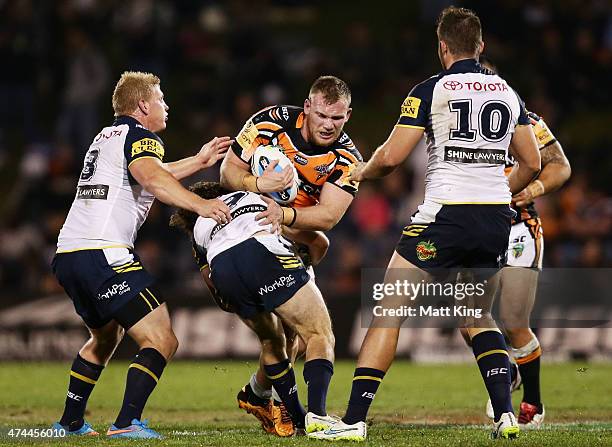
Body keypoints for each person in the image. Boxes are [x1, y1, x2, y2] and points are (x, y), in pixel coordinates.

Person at [308, 7, 541, 441]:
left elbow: (393, 157)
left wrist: (361, 171)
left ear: (443, 47)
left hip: (444, 215)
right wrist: (498, 190)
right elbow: (533, 161)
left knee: (389, 312)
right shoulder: (509, 93)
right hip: (494, 219)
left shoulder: (431, 89)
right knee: (475, 314)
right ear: (481, 46)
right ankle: (505, 415)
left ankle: (354, 420)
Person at [51, 71, 233, 438]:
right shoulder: (142, 137)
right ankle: (125, 423)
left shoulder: (108, 135)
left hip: (69, 254)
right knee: (162, 339)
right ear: (143, 105)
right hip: (104, 253)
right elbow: (153, 179)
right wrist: (200, 204)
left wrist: (199, 161)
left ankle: (70, 422)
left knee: (103, 339)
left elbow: (150, 172)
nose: (167, 106)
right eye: (161, 99)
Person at [219, 76, 362, 435]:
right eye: (323, 115)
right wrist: (258, 186)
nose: (330, 125)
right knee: (310, 332)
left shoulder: (348, 159)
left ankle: (258, 393)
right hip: (246, 225)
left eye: (339, 118)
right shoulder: (268, 123)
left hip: (291, 232)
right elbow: (227, 172)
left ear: (348, 116)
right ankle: (307, 412)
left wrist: (283, 217)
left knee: (292, 336)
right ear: (308, 106)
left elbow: (328, 216)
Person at [169, 182, 337, 435]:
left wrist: (235, 301)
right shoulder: (254, 198)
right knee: (318, 334)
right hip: (262, 253)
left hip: (224, 270)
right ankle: (318, 418)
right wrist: (302, 269)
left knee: (273, 340)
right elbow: (320, 242)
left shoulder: (199, 230)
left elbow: (211, 283)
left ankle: (295, 417)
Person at [459, 57, 571, 429]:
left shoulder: (526, 120)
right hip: (474, 228)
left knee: (513, 320)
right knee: (468, 318)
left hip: (518, 228)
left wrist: (535, 188)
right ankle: (508, 369)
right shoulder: (454, 126)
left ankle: (534, 404)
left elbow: (559, 165)